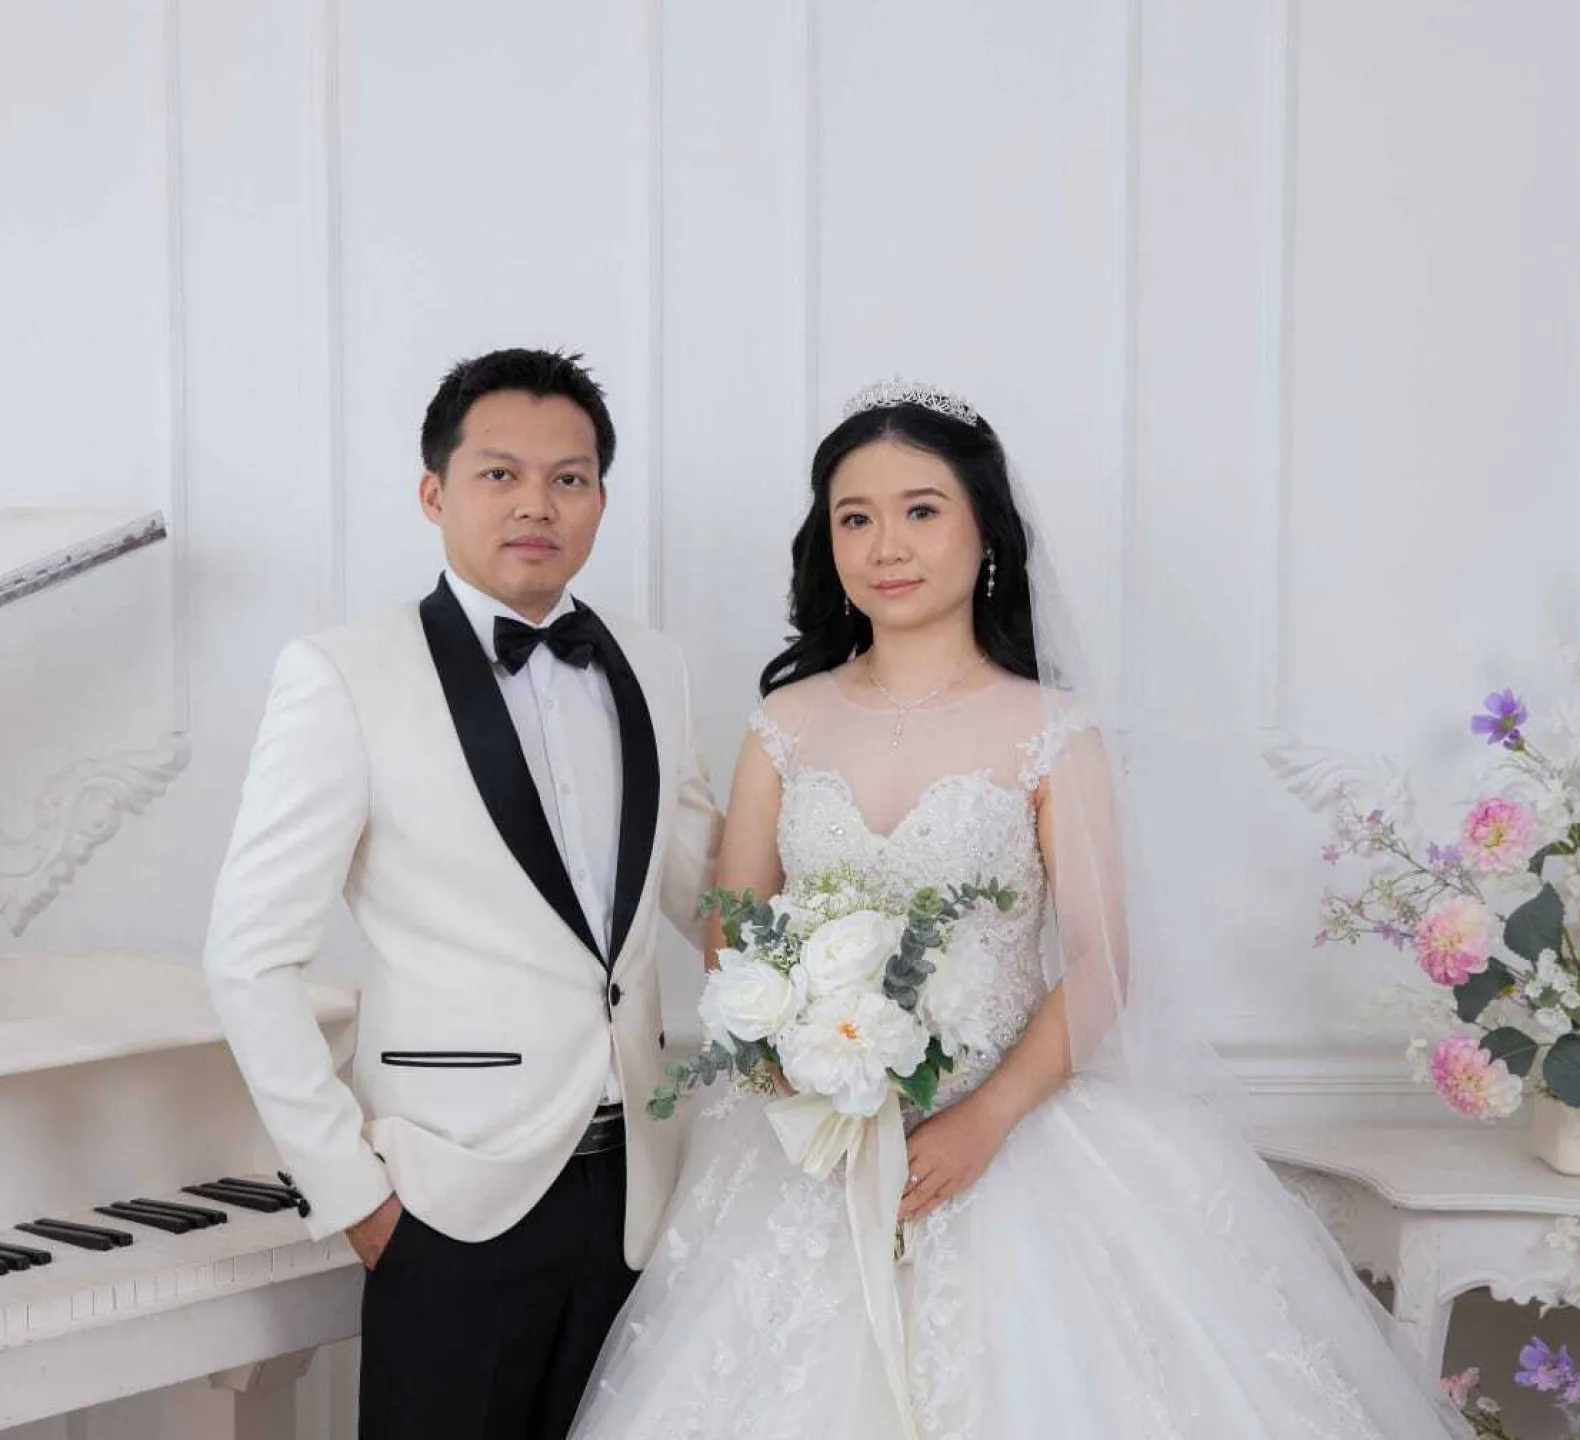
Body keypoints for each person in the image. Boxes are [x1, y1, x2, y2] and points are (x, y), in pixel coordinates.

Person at [570, 380, 1470, 1438]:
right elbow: (736, 927)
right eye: (855, 518)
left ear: (986, 530)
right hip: (810, 1141)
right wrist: (796, 1065)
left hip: (1015, 1137)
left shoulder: (1050, 730)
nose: (886, 545)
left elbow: (1102, 963)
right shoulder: (787, 722)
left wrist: (983, 1122)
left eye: (921, 510)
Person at [202, 347, 722, 1440]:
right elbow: (248, 958)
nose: (537, 504)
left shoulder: (653, 666)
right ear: (434, 493)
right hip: (450, 1199)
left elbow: (708, 899)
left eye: (569, 478)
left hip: (639, 1190)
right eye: (500, 474)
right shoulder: (342, 675)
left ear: (600, 499)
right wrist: (354, 1196)